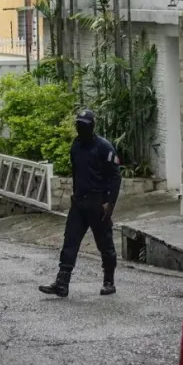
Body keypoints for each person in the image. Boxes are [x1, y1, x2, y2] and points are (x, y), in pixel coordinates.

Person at [40, 109, 122, 298]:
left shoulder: (104, 147)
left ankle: (109, 281)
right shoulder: (76, 145)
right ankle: (62, 283)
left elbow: (115, 177)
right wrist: (74, 194)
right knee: (70, 241)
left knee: (105, 243)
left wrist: (110, 203)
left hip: (98, 203)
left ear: (92, 127)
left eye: (84, 125)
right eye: (78, 125)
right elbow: (77, 172)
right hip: (79, 203)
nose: (80, 128)